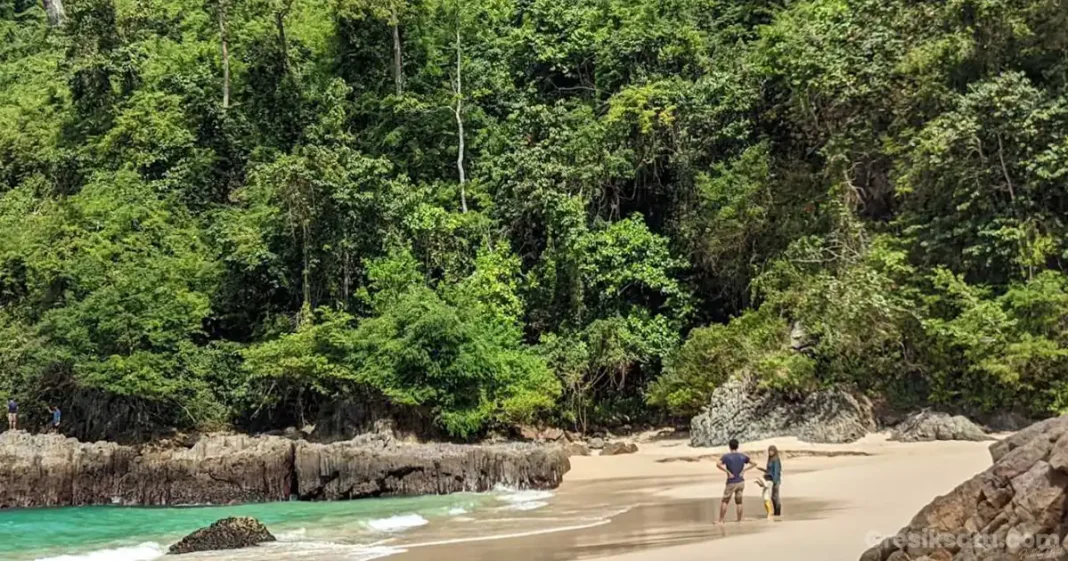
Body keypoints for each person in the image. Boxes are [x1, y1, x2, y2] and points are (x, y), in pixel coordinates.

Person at [716, 438, 756, 523]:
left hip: (731, 482)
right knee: (739, 502)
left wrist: (727, 472)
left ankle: (721, 520)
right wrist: (744, 471)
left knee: (725, 501)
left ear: (729, 447)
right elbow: (754, 463)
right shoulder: (742, 456)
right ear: (737, 446)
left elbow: (718, 464)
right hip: (741, 481)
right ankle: (739, 519)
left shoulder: (726, 456)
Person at [757, 445, 783, 517]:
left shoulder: (776, 459)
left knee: (776, 497)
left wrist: (775, 481)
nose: (770, 452)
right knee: (772, 497)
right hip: (769, 479)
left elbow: (776, 471)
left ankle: (778, 513)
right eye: (769, 451)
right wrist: (761, 469)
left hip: (775, 480)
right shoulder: (770, 459)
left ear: (775, 451)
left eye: (772, 451)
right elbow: (769, 471)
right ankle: (775, 512)